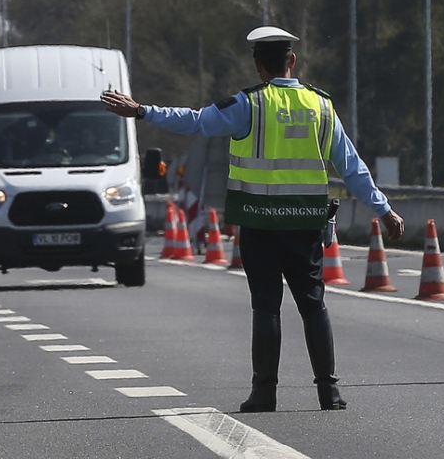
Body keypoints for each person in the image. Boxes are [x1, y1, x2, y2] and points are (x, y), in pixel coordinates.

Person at [101, 25, 405, 411]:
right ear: (292, 61)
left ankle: (264, 393)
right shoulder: (321, 105)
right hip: (304, 224)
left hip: (259, 224)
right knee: (314, 304)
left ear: (258, 65)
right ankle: (329, 392)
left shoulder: (249, 104)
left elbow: (195, 121)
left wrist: (141, 111)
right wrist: (384, 210)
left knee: (266, 306)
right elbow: (352, 168)